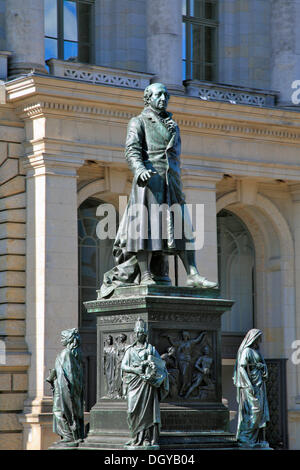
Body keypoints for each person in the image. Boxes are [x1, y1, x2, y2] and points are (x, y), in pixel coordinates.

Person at [99, 82, 217, 298]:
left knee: (182, 225)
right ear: (148, 98)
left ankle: (192, 273)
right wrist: (139, 169)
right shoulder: (139, 121)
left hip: (171, 181)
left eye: (166, 95)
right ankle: (145, 275)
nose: (163, 98)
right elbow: (132, 149)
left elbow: (174, 155)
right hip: (150, 181)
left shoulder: (173, 124)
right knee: (145, 229)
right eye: (158, 95)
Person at [121, 318, 169, 448]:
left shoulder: (151, 350)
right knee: (131, 411)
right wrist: (135, 370)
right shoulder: (129, 350)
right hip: (134, 384)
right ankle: (135, 436)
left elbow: (161, 367)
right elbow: (124, 366)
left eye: (141, 333)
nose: (138, 335)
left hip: (147, 386)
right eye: (136, 332)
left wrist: (153, 373)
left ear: (145, 334)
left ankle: (146, 438)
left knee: (147, 412)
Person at [46, 328, 84, 447]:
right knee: (62, 411)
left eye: (63, 337)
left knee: (58, 411)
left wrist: (67, 391)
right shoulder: (72, 353)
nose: (61, 339)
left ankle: (68, 436)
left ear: (69, 339)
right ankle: (70, 435)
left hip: (63, 389)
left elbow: (68, 375)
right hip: (65, 387)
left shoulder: (66, 353)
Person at [233, 329, 270, 448]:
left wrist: (262, 368)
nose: (261, 340)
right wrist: (248, 384)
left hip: (259, 385)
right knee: (254, 411)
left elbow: (262, 366)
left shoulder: (256, 351)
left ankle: (254, 439)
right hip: (250, 386)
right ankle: (245, 437)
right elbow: (242, 368)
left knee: (260, 412)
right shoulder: (247, 351)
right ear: (254, 338)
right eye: (259, 337)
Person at [167, 330, 206, 397]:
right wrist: (169, 337)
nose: (184, 337)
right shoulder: (180, 343)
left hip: (187, 361)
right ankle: (181, 390)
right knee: (182, 375)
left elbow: (197, 340)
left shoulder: (190, 342)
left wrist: (202, 334)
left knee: (186, 376)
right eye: (183, 335)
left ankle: (184, 390)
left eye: (185, 335)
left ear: (188, 336)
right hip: (181, 361)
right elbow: (173, 343)